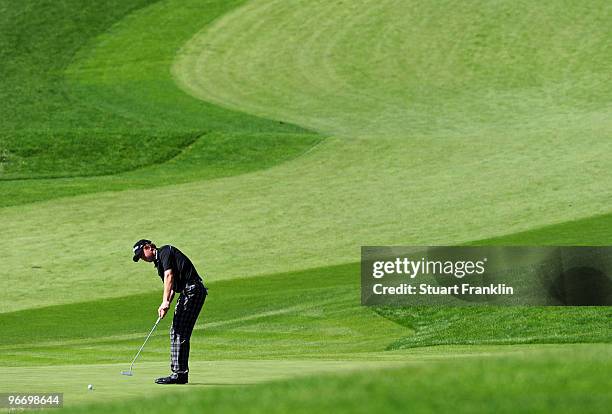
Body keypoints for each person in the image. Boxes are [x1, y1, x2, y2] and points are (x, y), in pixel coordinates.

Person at [132, 239, 207, 384]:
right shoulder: (159, 265)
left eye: (142, 254)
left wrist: (165, 302)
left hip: (192, 290)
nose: (142, 258)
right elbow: (172, 288)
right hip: (190, 291)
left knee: (179, 331)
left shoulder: (165, 251)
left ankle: (179, 374)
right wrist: (166, 305)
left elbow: (169, 276)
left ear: (149, 247)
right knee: (178, 330)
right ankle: (180, 373)